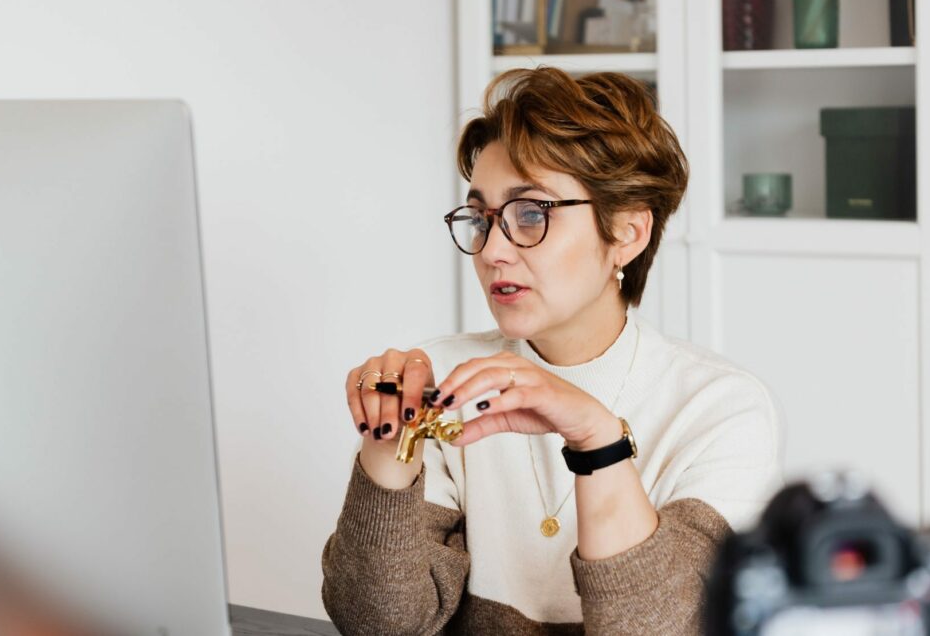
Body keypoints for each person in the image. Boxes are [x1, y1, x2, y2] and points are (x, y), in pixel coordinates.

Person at [321, 67, 784, 634]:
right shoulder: (439, 379)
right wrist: (385, 446)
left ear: (627, 234)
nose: (492, 251)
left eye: (531, 213)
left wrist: (599, 442)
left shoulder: (719, 408)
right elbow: (377, 624)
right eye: (481, 218)